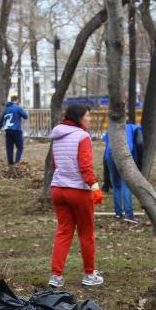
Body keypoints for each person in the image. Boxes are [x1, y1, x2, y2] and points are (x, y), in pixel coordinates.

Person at [48, 103, 103, 288]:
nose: (89, 119)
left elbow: (55, 164)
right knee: (86, 234)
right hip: (78, 191)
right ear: (79, 117)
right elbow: (85, 166)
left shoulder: (56, 135)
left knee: (63, 232)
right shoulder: (82, 136)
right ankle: (89, 274)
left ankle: (55, 276)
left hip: (58, 189)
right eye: (87, 116)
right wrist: (94, 187)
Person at [101, 120, 143, 222]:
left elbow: (106, 148)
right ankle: (129, 215)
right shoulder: (134, 127)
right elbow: (140, 143)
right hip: (124, 153)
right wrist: (138, 162)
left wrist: (106, 180)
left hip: (110, 156)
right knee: (126, 184)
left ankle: (118, 214)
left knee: (116, 185)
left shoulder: (111, 129)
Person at [1, 95, 29, 165]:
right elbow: (25, 116)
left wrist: (0, 126)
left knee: (9, 148)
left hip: (8, 130)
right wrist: (21, 108)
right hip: (16, 130)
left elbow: (1, 119)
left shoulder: (6, 109)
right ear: (17, 100)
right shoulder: (18, 107)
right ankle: (17, 162)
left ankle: (10, 163)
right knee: (20, 147)